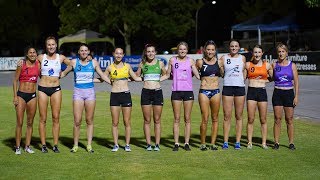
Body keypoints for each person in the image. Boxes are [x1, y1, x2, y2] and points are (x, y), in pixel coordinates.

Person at [60, 43, 111, 153]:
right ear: (79, 52)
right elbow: (63, 73)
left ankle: (89, 145)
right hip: (78, 94)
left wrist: (112, 83)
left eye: (85, 50)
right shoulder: (74, 62)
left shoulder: (94, 63)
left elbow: (102, 75)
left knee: (89, 120)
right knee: (77, 121)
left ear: (88, 52)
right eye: (81, 50)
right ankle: (75, 145)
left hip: (90, 94)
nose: (83, 52)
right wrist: (50, 76)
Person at [104, 47, 142, 152]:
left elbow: (135, 78)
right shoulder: (109, 67)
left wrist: (149, 77)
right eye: (117, 53)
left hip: (126, 94)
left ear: (123, 55)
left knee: (127, 121)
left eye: (121, 53)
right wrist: (110, 82)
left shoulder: (127, 66)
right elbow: (103, 77)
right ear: (113, 54)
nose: (119, 55)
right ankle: (115, 145)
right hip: (114, 95)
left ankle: (127, 144)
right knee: (115, 122)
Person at [37, 36, 71, 153]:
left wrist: (64, 73)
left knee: (56, 118)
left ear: (56, 45)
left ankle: (55, 145)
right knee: (43, 118)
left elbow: (72, 64)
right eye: (48, 45)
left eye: (53, 44)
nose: (51, 46)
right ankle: (43, 145)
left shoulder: (60, 58)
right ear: (46, 46)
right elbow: (30, 64)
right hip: (42, 89)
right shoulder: (41, 57)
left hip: (56, 89)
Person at [165, 41, 200, 151]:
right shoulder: (172, 60)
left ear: (187, 50)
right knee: (176, 118)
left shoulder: (190, 61)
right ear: (177, 50)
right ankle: (176, 143)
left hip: (188, 91)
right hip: (176, 91)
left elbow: (197, 75)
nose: (182, 51)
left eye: (184, 49)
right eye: (180, 49)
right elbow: (167, 74)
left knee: (187, 119)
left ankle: (186, 143)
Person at [135, 44, 167, 151]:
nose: (150, 53)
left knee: (157, 120)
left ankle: (157, 144)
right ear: (145, 53)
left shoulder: (160, 63)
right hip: (146, 93)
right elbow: (137, 76)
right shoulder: (142, 64)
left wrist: (157, 80)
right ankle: (148, 144)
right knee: (147, 120)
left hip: (158, 92)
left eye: (152, 51)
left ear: (155, 52)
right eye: (148, 51)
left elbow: (166, 75)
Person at [219, 39, 246, 150]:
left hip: (239, 88)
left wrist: (243, 79)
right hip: (228, 87)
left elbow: (245, 70)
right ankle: (225, 142)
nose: (234, 48)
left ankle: (237, 142)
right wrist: (221, 68)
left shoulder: (242, 58)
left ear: (239, 47)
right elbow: (221, 74)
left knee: (238, 116)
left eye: (236, 46)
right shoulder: (224, 58)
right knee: (227, 116)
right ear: (229, 47)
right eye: (232, 46)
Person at [12, 47, 40, 155]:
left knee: (30, 123)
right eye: (30, 52)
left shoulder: (38, 64)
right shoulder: (21, 64)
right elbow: (15, 81)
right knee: (19, 122)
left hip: (32, 96)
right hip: (21, 95)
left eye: (34, 52)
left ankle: (27, 146)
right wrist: (15, 96)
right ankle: (18, 147)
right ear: (27, 55)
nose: (32, 54)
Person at [272, 43, 299, 150]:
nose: (281, 53)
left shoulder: (292, 65)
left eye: (283, 51)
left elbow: (296, 82)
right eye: (279, 51)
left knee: (289, 119)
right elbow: (270, 77)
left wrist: (296, 96)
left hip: (289, 93)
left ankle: (291, 143)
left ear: (287, 53)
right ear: (277, 53)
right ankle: (276, 143)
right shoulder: (274, 65)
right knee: (277, 119)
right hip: (277, 93)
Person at [195, 40, 221, 151]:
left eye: (212, 50)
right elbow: (193, 71)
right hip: (204, 91)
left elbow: (223, 74)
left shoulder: (219, 62)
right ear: (205, 50)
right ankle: (203, 143)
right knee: (204, 118)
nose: (210, 52)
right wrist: (200, 78)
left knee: (215, 118)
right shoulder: (200, 62)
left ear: (215, 51)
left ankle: (213, 143)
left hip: (216, 91)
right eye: (208, 49)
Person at [245, 45, 273, 149]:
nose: (257, 54)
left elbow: (273, 77)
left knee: (263, 119)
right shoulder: (248, 65)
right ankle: (249, 142)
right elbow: (243, 77)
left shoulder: (267, 65)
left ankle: (264, 143)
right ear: (253, 53)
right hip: (251, 91)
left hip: (262, 91)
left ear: (262, 53)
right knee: (251, 119)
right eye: (255, 52)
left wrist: (264, 81)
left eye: (259, 52)